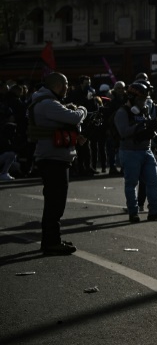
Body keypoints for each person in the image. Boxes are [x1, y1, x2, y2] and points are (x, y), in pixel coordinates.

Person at [27, 72, 87, 255]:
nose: (68, 88)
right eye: (66, 84)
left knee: (55, 202)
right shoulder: (47, 104)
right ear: (58, 85)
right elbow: (75, 118)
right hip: (53, 159)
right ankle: (51, 243)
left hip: (54, 157)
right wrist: (82, 109)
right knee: (55, 204)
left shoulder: (45, 102)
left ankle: (52, 239)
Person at [114, 81, 157, 223]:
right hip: (130, 151)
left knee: (153, 182)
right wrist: (141, 126)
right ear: (132, 98)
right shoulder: (122, 112)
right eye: (140, 99)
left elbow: (146, 128)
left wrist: (153, 128)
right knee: (131, 183)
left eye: (144, 99)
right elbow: (123, 132)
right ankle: (133, 212)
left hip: (146, 150)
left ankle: (154, 211)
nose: (143, 102)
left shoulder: (144, 110)